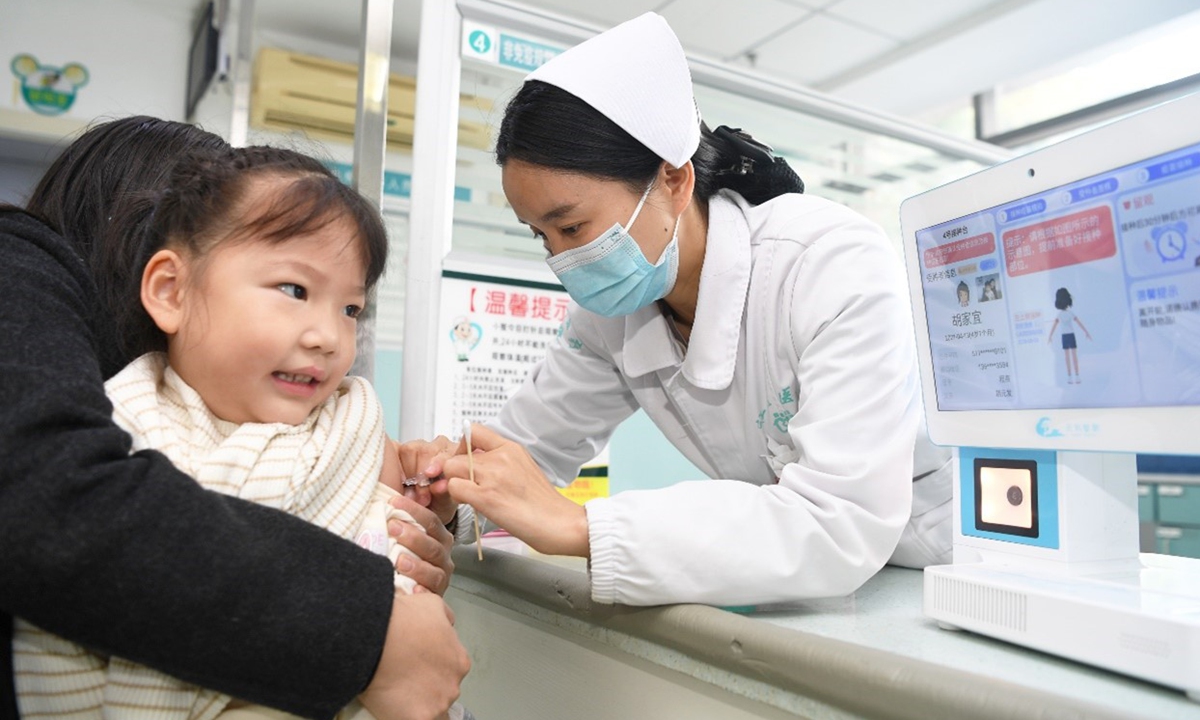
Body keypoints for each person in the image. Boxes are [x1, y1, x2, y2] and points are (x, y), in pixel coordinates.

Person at [411, 12, 953, 608]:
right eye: (541, 236)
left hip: (935, 565)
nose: (563, 259)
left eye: (572, 225)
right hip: (811, 581)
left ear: (673, 178)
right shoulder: (615, 313)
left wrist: (579, 527)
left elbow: (838, 520)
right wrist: (451, 493)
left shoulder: (828, 263)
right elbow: (529, 447)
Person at [0, 117, 468, 720]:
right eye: (292, 287)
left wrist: (413, 514)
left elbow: (389, 516)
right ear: (163, 278)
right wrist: (368, 628)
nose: (328, 335)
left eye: (352, 308)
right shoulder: (125, 396)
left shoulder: (345, 414)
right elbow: (50, 500)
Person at [1046, 286, 1091, 385]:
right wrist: (1086, 332)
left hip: (1066, 336)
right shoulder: (1068, 313)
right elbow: (1079, 323)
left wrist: (1050, 336)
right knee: (1072, 356)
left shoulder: (1063, 314)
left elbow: (1078, 323)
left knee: (1069, 357)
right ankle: (1074, 376)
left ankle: (1073, 376)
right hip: (1069, 336)